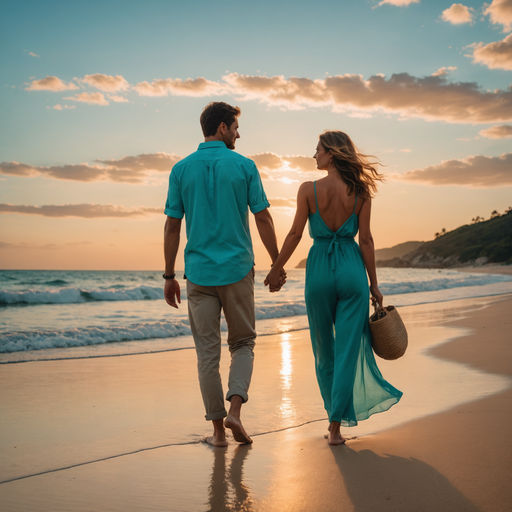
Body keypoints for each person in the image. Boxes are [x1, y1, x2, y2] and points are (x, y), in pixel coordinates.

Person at [265, 130, 402, 445]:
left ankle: (332, 416)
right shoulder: (361, 192)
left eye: (317, 150)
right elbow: (365, 239)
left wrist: (277, 267)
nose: (314, 155)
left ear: (331, 153)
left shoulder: (308, 190)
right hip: (352, 271)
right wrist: (374, 284)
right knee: (347, 350)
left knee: (324, 350)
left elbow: (295, 234)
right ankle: (335, 427)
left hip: (319, 272)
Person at [163, 101, 285, 447]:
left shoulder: (181, 169)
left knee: (207, 354)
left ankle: (218, 434)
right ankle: (235, 411)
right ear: (221, 128)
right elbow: (263, 217)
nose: (238, 133)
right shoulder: (244, 166)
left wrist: (169, 275)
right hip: (236, 270)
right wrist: (276, 264)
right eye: (234, 127)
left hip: (198, 275)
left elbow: (173, 226)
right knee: (243, 343)